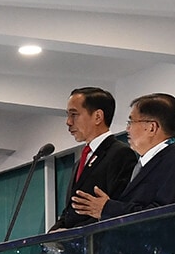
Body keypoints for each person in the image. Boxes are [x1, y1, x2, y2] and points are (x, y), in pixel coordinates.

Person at [72, 93, 175, 220]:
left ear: (151, 127)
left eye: (131, 121)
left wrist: (108, 209)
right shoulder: (148, 163)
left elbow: (162, 217)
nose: (127, 128)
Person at [51, 87, 138, 230]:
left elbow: (115, 209)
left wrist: (72, 235)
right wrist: (52, 234)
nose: (68, 122)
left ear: (98, 116)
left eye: (74, 114)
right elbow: (71, 211)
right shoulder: (80, 161)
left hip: (98, 246)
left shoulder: (119, 154)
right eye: (68, 115)